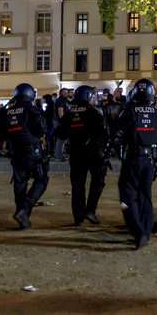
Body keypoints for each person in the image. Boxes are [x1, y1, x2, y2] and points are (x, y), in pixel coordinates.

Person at [117, 79, 157, 249]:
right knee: (146, 196)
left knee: (127, 197)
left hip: (134, 159)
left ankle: (138, 231)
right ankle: (146, 232)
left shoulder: (129, 111)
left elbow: (117, 134)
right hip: (151, 161)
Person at [59, 85, 110, 226]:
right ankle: (90, 210)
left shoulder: (69, 113)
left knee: (77, 185)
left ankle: (78, 216)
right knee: (98, 180)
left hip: (75, 153)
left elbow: (60, 133)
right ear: (88, 97)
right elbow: (104, 132)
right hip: (93, 153)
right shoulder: (94, 112)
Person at [2, 83, 48, 229]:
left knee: (20, 183)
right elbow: (41, 128)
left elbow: (2, 130)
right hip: (31, 149)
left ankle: (21, 215)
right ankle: (25, 209)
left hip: (16, 149)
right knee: (41, 179)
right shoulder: (32, 109)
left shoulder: (9, 110)